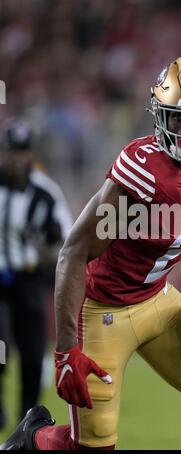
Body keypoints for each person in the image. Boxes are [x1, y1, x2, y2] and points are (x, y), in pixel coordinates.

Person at [1, 55, 181, 450]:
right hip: (105, 310)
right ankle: (34, 439)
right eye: (177, 117)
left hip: (159, 300)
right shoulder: (143, 170)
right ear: (160, 114)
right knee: (93, 450)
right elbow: (73, 252)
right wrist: (66, 350)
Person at [0, 118, 73, 429]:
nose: (17, 158)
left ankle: (25, 420)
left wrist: (46, 256)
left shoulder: (46, 192)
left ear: (31, 154)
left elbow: (68, 239)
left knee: (31, 355)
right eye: (12, 151)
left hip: (30, 279)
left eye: (23, 152)